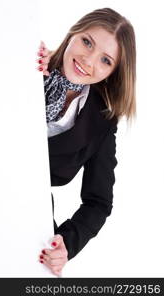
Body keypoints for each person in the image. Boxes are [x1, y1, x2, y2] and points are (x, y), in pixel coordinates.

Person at [36, 7, 136, 276]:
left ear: (113, 72)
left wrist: (66, 244)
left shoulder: (102, 123)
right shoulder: (31, 63)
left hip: (26, 217)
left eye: (105, 60)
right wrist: (15, 73)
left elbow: (98, 202)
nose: (88, 60)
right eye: (87, 42)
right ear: (74, 33)